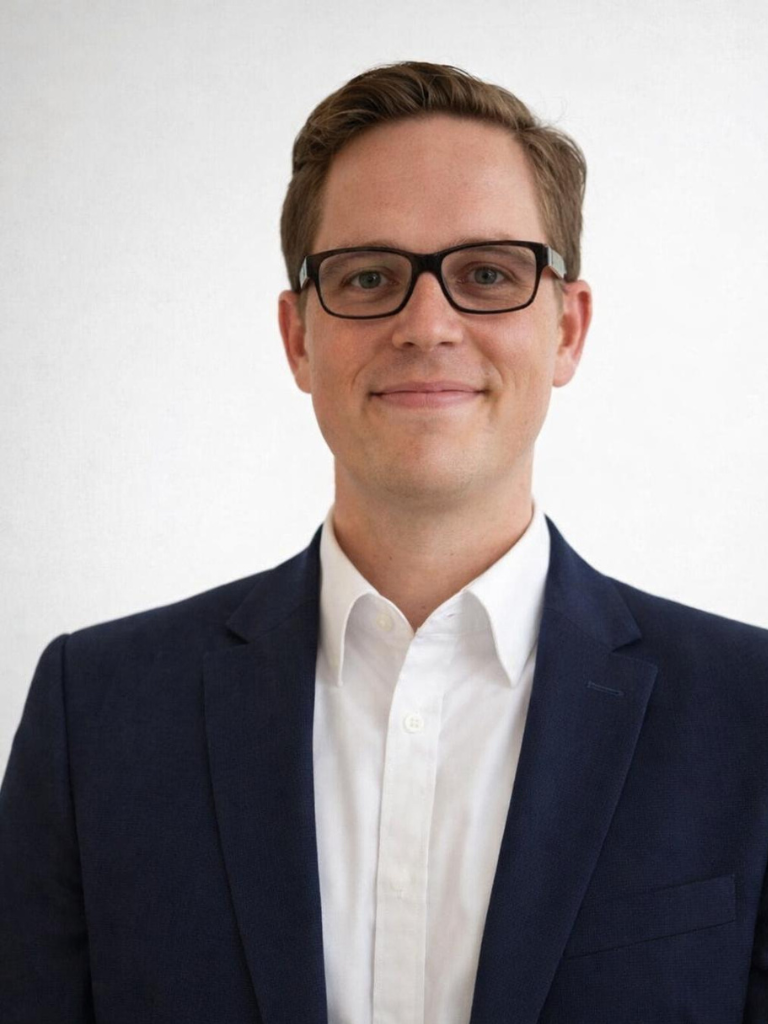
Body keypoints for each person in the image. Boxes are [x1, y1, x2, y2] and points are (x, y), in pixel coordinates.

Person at [1, 60, 766, 1024]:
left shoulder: (751, 717)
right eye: (369, 277)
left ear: (568, 329)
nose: (427, 324)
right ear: (298, 338)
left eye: (488, 274)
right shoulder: (96, 716)